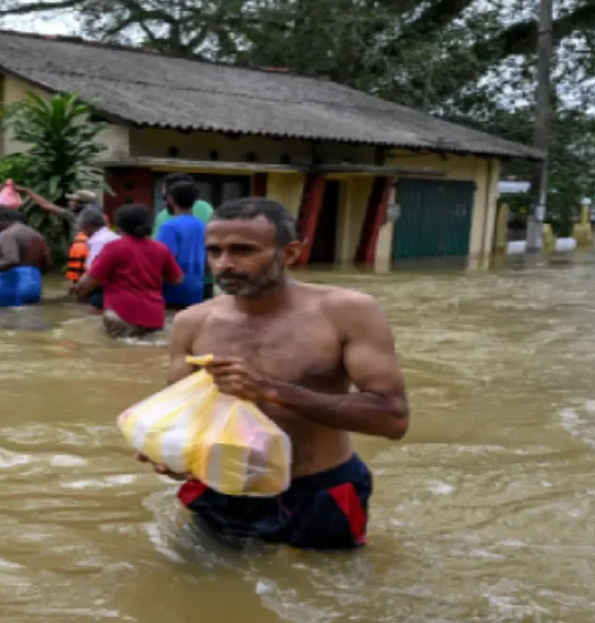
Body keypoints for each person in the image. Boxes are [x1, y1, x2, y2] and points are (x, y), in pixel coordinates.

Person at [136, 197, 409, 551]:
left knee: (323, 600)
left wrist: (271, 390)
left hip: (318, 491)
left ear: (290, 254)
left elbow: (392, 420)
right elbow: (183, 415)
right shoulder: (192, 322)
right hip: (219, 487)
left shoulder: (348, 312)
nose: (224, 264)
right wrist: (168, 453)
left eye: (243, 250)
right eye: (214, 251)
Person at [74, 204, 183, 338]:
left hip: (121, 315)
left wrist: (78, 288)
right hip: (154, 316)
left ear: (119, 226)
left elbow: (92, 280)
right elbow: (177, 279)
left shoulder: (114, 247)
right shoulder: (161, 249)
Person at [0, 208, 50, 307]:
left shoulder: (8, 233)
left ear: (2, 219)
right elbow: (48, 262)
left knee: (3, 319)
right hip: (33, 282)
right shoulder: (36, 234)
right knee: (28, 317)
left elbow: (11, 260)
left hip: (11, 282)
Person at [156, 181, 207, 310]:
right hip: (197, 292)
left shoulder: (169, 227)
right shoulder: (203, 226)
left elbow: (164, 260)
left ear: (171, 199)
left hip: (171, 293)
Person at [71, 204, 118, 310]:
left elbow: (96, 273)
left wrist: (82, 291)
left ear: (86, 227)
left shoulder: (98, 241)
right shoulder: (112, 236)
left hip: (106, 290)